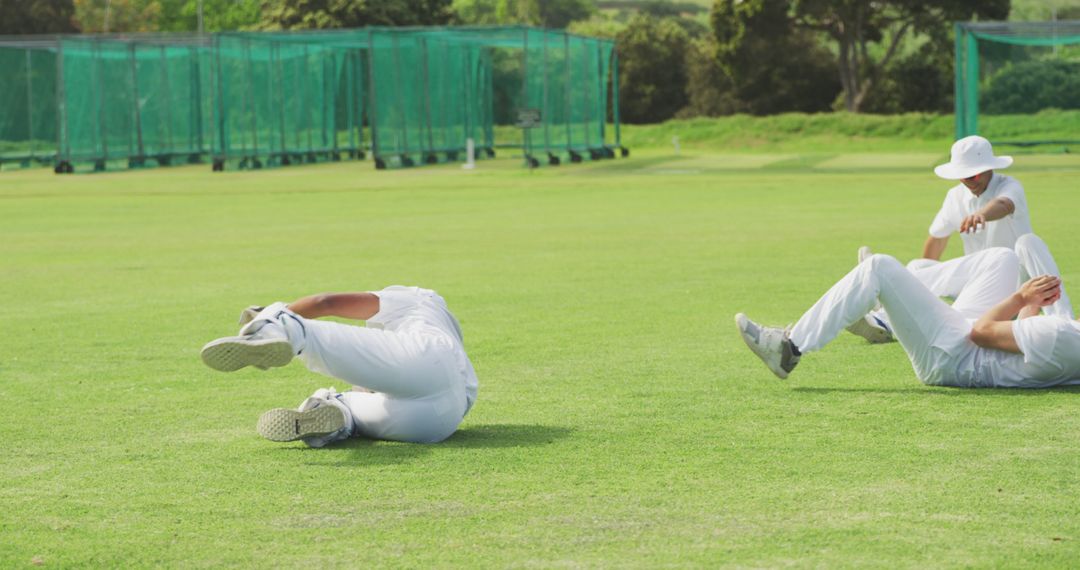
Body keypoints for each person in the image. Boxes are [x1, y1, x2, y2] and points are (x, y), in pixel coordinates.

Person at [736, 248, 1080, 388]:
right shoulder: (1065, 334)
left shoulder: (1062, 337)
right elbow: (1029, 333)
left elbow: (981, 332)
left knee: (878, 267)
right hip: (973, 341)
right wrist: (1036, 300)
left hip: (954, 356)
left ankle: (788, 348)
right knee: (1003, 258)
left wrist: (1023, 298)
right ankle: (891, 303)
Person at [847, 135, 1072, 344]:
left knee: (1024, 243)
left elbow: (1004, 204)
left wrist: (981, 215)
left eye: (973, 175)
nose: (968, 181)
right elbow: (937, 239)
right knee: (919, 265)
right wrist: (920, 282)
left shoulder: (1010, 186)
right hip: (976, 281)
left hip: (1011, 287)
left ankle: (885, 293)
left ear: (989, 168)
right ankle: (886, 305)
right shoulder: (955, 196)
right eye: (962, 176)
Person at [199, 286, 478, 447]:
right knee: (349, 407)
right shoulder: (451, 343)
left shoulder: (418, 299)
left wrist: (279, 311)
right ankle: (331, 414)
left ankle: (270, 329)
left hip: (428, 363)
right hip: (438, 424)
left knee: (300, 328)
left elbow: (325, 302)